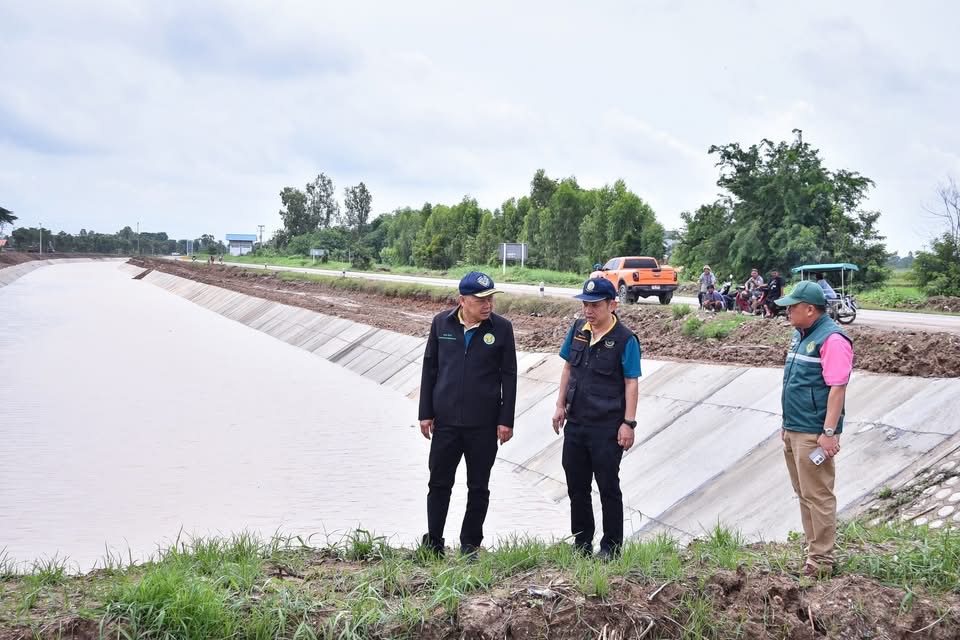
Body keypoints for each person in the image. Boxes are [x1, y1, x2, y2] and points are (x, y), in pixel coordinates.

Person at [418, 271, 518, 559]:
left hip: (483, 425)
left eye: (490, 299)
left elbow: (509, 376)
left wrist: (505, 419)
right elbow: (430, 368)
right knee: (438, 483)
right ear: (462, 300)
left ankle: (470, 544)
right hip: (446, 422)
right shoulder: (441, 324)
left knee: (478, 486)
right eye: (480, 299)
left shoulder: (502, 329)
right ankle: (433, 541)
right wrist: (426, 412)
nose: (488, 305)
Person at [552, 277, 641, 560]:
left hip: (607, 427)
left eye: (595, 305)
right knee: (577, 486)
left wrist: (628, 423)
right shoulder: (578, 330)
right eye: (585, 305)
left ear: (612, 305)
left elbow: (631, 383)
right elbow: (568, 368)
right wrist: (559, 405)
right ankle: (581, 543)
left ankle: (611, 547)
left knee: (607, 487)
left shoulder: (625, 340)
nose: (588, 311)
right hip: (576, 422)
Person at [775, 280, 853, 578]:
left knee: (818, 495)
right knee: (804, 493)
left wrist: (829, 433)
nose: (788, 312)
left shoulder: (832, 339)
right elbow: (793, 384)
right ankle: (813, 552)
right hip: (794, 428)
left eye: (792, 307)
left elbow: (837, 388)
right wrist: (786, 425)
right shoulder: (801, 335)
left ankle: (821, 561)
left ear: (810, 309)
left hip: (814, 433)